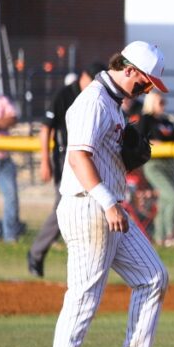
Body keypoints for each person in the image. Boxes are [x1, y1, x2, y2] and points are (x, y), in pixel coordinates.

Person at [44, 41, 174, 347]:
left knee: (153, 277)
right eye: (146, 82)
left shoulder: (113, 104)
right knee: (84, 296)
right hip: (90, 207)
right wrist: (106, 201)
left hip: (108, 207)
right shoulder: (95, 100)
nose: (147, 90)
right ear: (129, 69)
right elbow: (78, 156)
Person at [28, 63, 105, 276]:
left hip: (88, 159)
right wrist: (45, 160)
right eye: (92, 80)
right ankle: (36, 253)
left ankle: (82, 262)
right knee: (63, 207)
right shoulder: (66, 94)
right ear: (83, 76)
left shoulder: (97, 97)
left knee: (83, 208)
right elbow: (46, 128)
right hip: (64, 159)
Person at [139, 91, 174, 246]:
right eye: (160, 102)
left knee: (165, 200)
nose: (163, 105)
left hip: (170, 164)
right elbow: (142, 138)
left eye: (164, 102)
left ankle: (160, 238)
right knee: (173, 196)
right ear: (151, 102)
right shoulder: (146, 119)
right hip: (154, 164)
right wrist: (157, 144)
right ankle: (171, 235)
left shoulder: (167, 121)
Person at [0, 70, 22, 242]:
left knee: (11, 198)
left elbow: (12, 119)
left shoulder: (2, 100)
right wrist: (0, 123)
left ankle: (10, 235)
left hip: (3, 157)